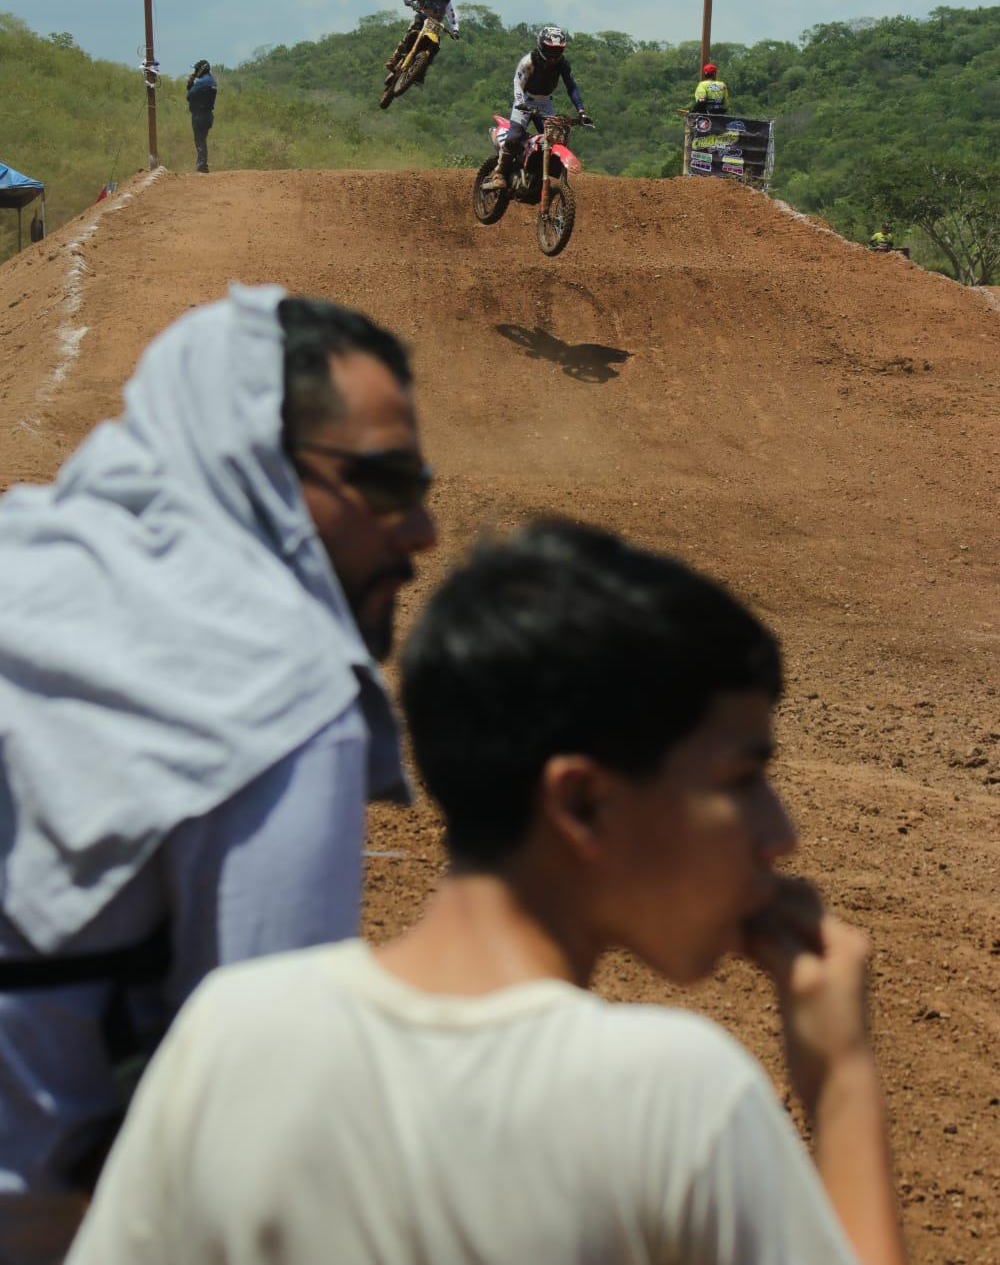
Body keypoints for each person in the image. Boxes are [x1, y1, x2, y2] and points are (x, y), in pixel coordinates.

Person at [67, 521, 907, 1265]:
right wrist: (840, 1081)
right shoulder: (678, 1098)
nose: (781, 831)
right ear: (580, 802)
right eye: (745, 776)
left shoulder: (227, 1036)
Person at [0, 285, 436, 1263]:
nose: (421, 532)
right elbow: (262, 1153)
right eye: (388, 483)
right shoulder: (277, 694)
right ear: (264, 474)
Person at [487, 25, 593, 190]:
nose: (553, 55)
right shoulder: (529, 61)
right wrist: (520, 102)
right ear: (541, 46)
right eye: (550, 50)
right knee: (514, 136)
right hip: (525, 99)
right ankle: (499, 173)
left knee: (555, 139)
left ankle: (538, 174)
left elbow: (571, 86)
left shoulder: (563, 64)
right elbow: (518, 83)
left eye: (557, 50)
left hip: (544, 103)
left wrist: (581, 111)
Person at [385, 0, 459, 84]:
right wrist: (411, 2)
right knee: (410, 31)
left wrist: (455, 30)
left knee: (435, 48)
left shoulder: (446, 1)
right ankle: (395, 57)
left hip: (435, 26)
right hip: (421, 20)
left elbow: (452, 16)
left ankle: (421, 72)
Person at [186, 58, 217, 173]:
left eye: (196, 69)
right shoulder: (212, 80)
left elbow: (189, 96)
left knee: (199, 140)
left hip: (200, 115)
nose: (195, 71)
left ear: (201, 69)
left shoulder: (202, 82)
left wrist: (190, 83)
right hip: (208, 114)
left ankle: (202, 166)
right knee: (202, 140)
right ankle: (202, 164)